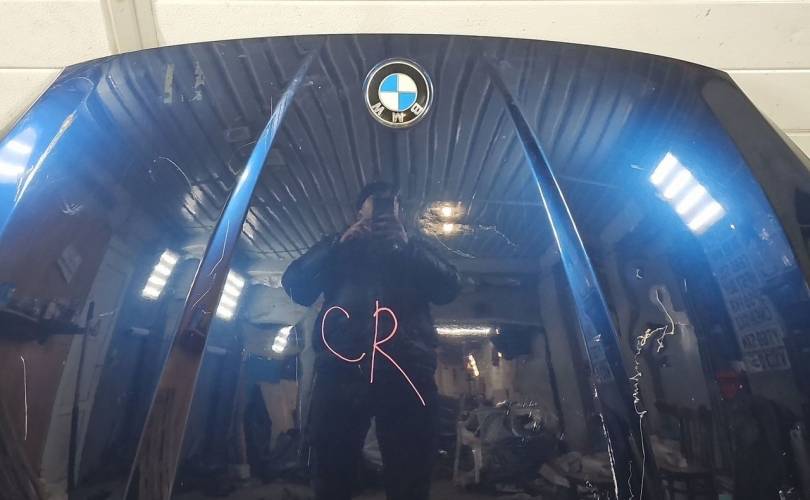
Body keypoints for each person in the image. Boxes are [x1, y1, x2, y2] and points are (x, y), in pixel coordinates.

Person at [282, 182, 461, 500]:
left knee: (411, 471)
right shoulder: (339, 248)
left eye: (389, 206)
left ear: (400, 214)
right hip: (343, 369)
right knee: (331, 467)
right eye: (375, 205)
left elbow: (450, 287)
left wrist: (408, 247)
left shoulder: (414, 247)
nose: (382, 212)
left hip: (406, 369)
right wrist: (337, 245)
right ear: (358, 214)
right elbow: (295, 285)